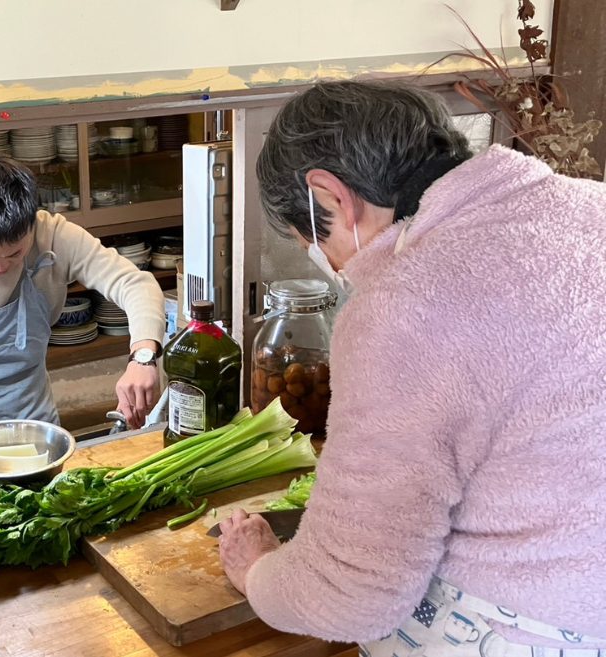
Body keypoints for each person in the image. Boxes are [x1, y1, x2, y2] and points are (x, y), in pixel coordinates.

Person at [218, 80, 606, 655]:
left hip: (537, 628)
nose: (329, 263)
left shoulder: (407, 302)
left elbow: (352, 592)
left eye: (310, 243)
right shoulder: (590, 204)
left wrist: (256, 570)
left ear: (330, 196)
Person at [0, 154, 166, 463]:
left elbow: (135, 284)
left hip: (38, 427)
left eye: (14, 253)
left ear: (32, 223)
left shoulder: (55, 236)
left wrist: (143, 357)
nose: (0, 267)